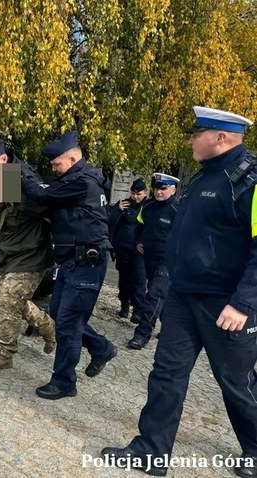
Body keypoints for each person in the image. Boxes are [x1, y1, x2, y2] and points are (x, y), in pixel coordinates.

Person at [101, 106, 257, 478]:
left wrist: (243, 303)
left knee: (236, 384)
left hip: (227, 304)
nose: (190, 139)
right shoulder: (203, 178)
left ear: (220, 137)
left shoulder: (249, 180)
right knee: (166, 374)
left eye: (196, 133)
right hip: (184, 298)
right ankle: (150, 451)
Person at [21, 130, 117, 400]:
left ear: (73, 159)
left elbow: (39, 197)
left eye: (56, 164)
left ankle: (64, 382)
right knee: (60, 316)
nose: (52, 170)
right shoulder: (72, 181)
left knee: (68, 324)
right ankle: (100, 347)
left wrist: (20, 173)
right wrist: (5, 176)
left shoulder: (81, 182)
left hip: (84, 263)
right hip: (69, 262)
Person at [0, 142, 56, 371]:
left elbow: (53, 211)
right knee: (9, 298)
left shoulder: (24, 182)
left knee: (8, 301)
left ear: (2, 160)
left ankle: (4, 353)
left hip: (30, 255)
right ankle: (47, 325)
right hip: (7, 254)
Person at [126, 172, 179, 350]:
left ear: (173, 189)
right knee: (162, 297)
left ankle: (141, 335)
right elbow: (139, 226)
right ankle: (170, 328)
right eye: (157, 188)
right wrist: (138, 241)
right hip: (149, 257)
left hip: (169, 261)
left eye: (163, 189)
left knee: (154, 295)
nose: (159, 192)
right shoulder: (147, 206)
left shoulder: (178, 209)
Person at [107, 179, 148, 323]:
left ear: (145, 193)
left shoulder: (149, 206)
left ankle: (137, 309)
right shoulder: (124, 204)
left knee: (138, 280)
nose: (136, 196)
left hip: (139, 251)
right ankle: (124, 305)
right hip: (123, 248)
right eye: (133, 193)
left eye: (139, 194)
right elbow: (110, 222)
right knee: (124, 279)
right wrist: (117, 210)